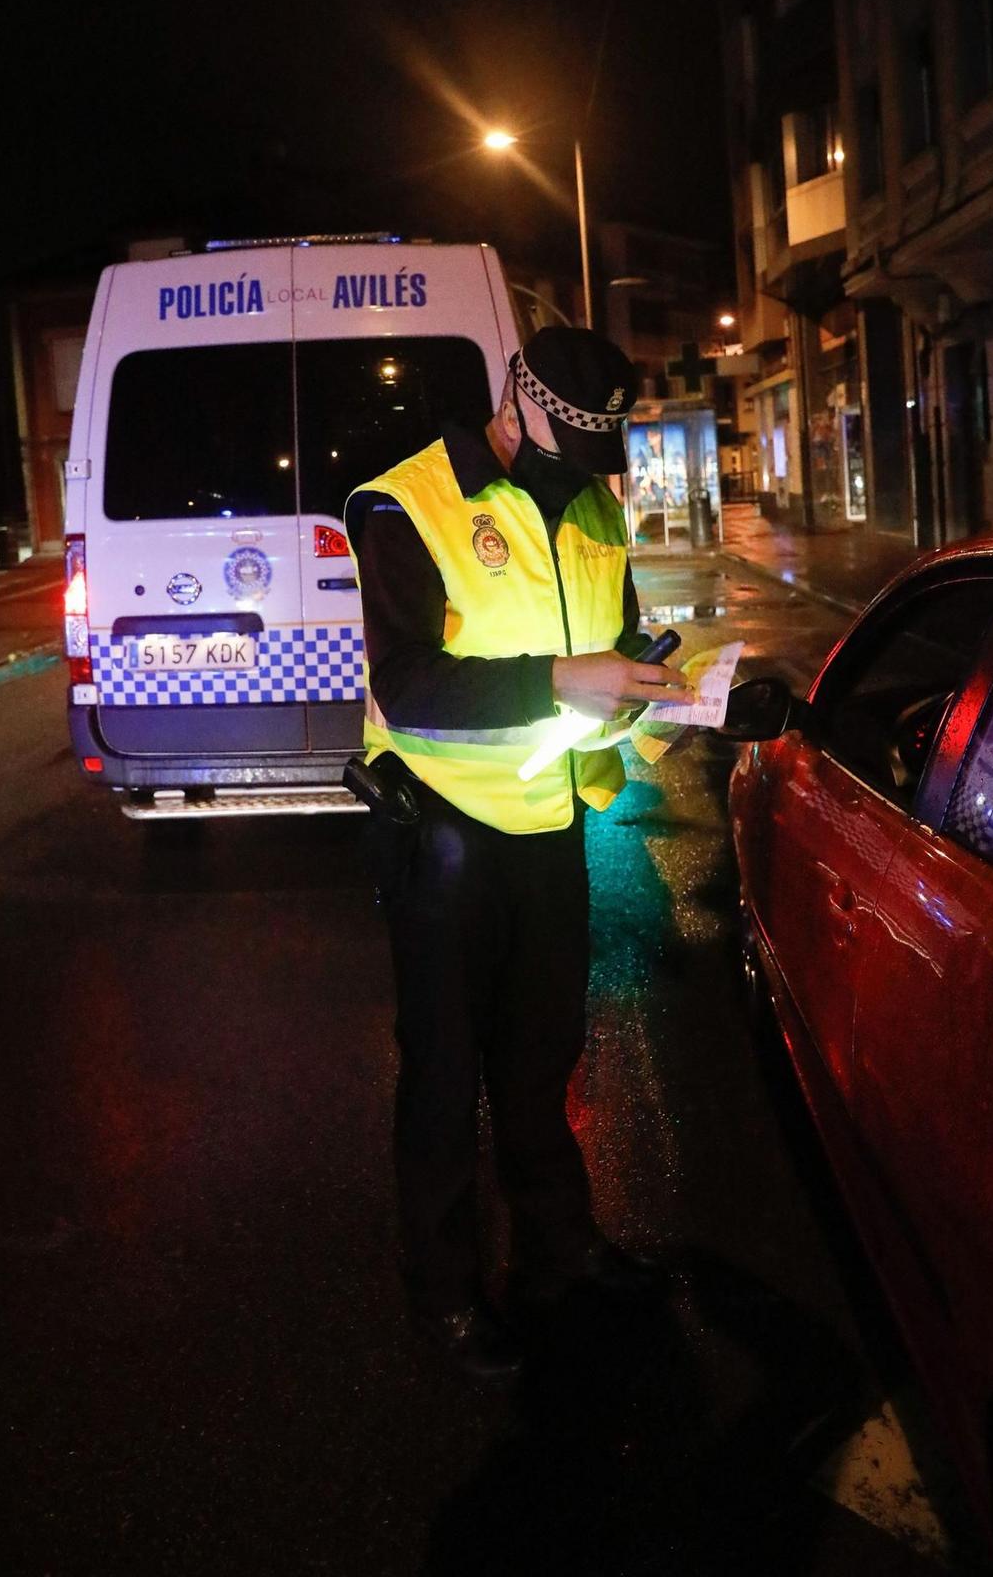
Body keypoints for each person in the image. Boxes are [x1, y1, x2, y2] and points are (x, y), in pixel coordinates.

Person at [345, 326, 694, 1384]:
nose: (582, 474)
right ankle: (444, 1295)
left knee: (541, 1059)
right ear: (517, 398)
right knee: (446, 1075)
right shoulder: (407, 501)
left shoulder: (592, 503)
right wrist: (560, 678)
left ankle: (559, 1249)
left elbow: (613, 637)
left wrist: (648, 675)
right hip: (444, 830)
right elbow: (406, 682)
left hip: (551, 819)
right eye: (566, 442)